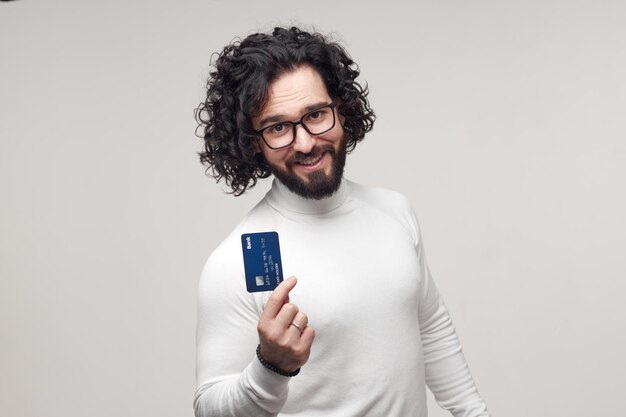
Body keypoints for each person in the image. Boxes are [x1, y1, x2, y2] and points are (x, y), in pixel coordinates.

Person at [194, 26, 490, 417]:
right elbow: (208, 408)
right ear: (253, 142)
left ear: (342, 111)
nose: (304, 143)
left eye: (315, 115)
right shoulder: (237, 260)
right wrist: (270, 368)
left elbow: (430, 327)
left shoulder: (394, 211)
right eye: (278, 127)